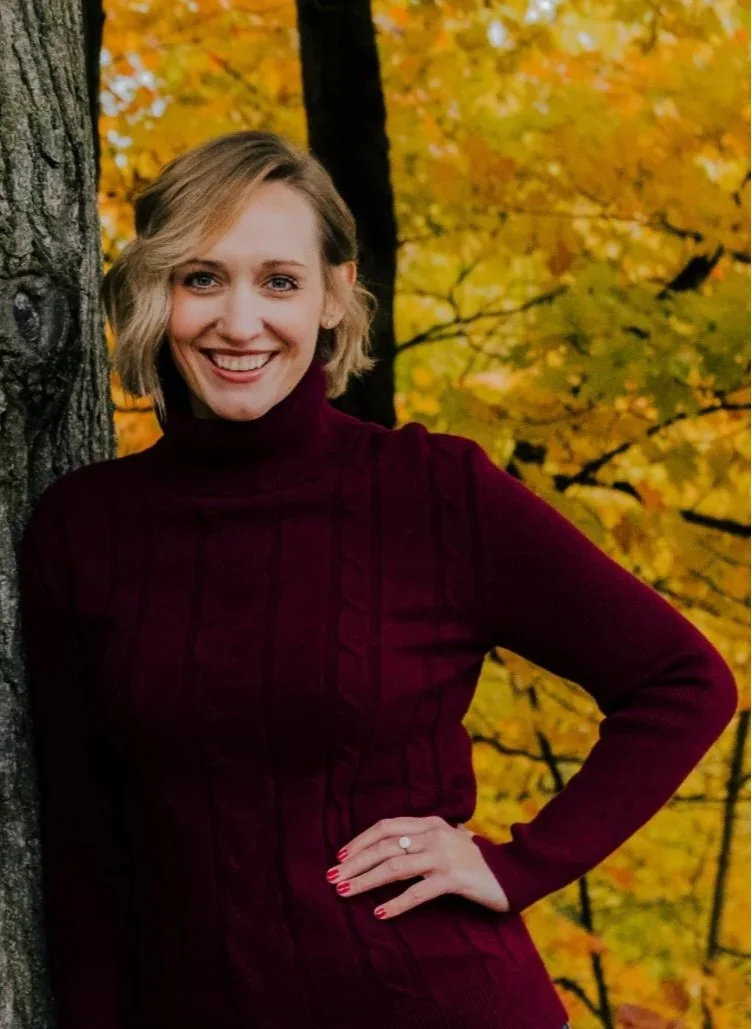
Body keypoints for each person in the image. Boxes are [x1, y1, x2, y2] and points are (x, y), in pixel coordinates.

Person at [18, 130, 737, 1029]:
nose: (239, 323)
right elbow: (87, 851)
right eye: (201, 277)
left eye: (279, 281)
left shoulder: (434, 490)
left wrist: (516, 865)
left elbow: (685, 680)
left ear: (335, 296)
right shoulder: (83, 529)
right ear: (155, 293)